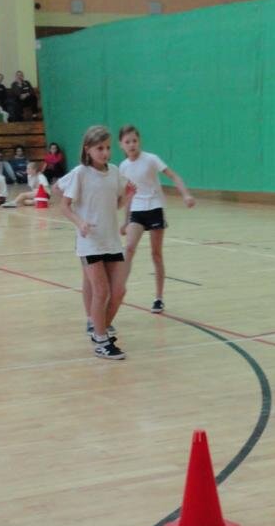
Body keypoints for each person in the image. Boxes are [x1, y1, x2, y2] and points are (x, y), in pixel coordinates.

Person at [56, 125, 134, 359]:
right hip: (89, 242)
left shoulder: (115, 172)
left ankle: (100, 330)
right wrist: (80, 222)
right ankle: (101, 340)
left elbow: (116, 204)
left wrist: (128, 195)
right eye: (100, 148)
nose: (105, 152)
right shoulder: (81, 173)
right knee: (101, 291)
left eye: (108, 147)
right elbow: (64, 206)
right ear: (87, 149)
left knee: (118, 291)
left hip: (111, 240)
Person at [117, 124, 195, 314]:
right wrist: (126, 221)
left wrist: (185, 194)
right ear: (121, 145)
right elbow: (128, 195)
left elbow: (173, 176)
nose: (132, 144)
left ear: (139, 141)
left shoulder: (151, 159)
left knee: (156, 254)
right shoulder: (123, 167)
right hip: (137, 210)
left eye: (134, 141)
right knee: (129, 248)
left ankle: (159, 298)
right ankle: (119, 289)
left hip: (155, 208)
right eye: (127, 142)